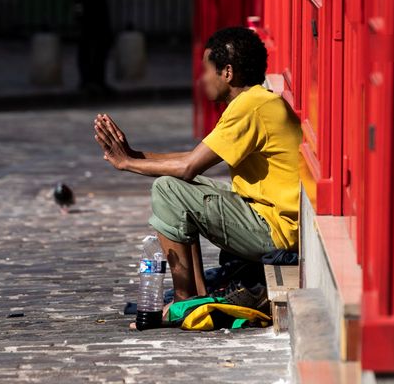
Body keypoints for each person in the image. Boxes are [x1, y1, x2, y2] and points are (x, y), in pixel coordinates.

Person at [93, 27, 302, 328]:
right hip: (270, 222)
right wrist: (135, 155)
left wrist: (126, 163)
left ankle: (184, 300)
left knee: (168, 189)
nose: (202, 78)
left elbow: (188, 167)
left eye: (207, 70)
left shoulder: (249, 108)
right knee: (175, 187)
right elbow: (191, 159)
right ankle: (194, 295)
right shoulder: (257, 102)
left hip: (275, 232)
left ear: (227, 72)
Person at [62, 0, 125, 95]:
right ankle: (88, 81)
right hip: (85, 1)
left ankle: (96, 80)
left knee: (102, 40)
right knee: (87, 41)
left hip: (97, 1)